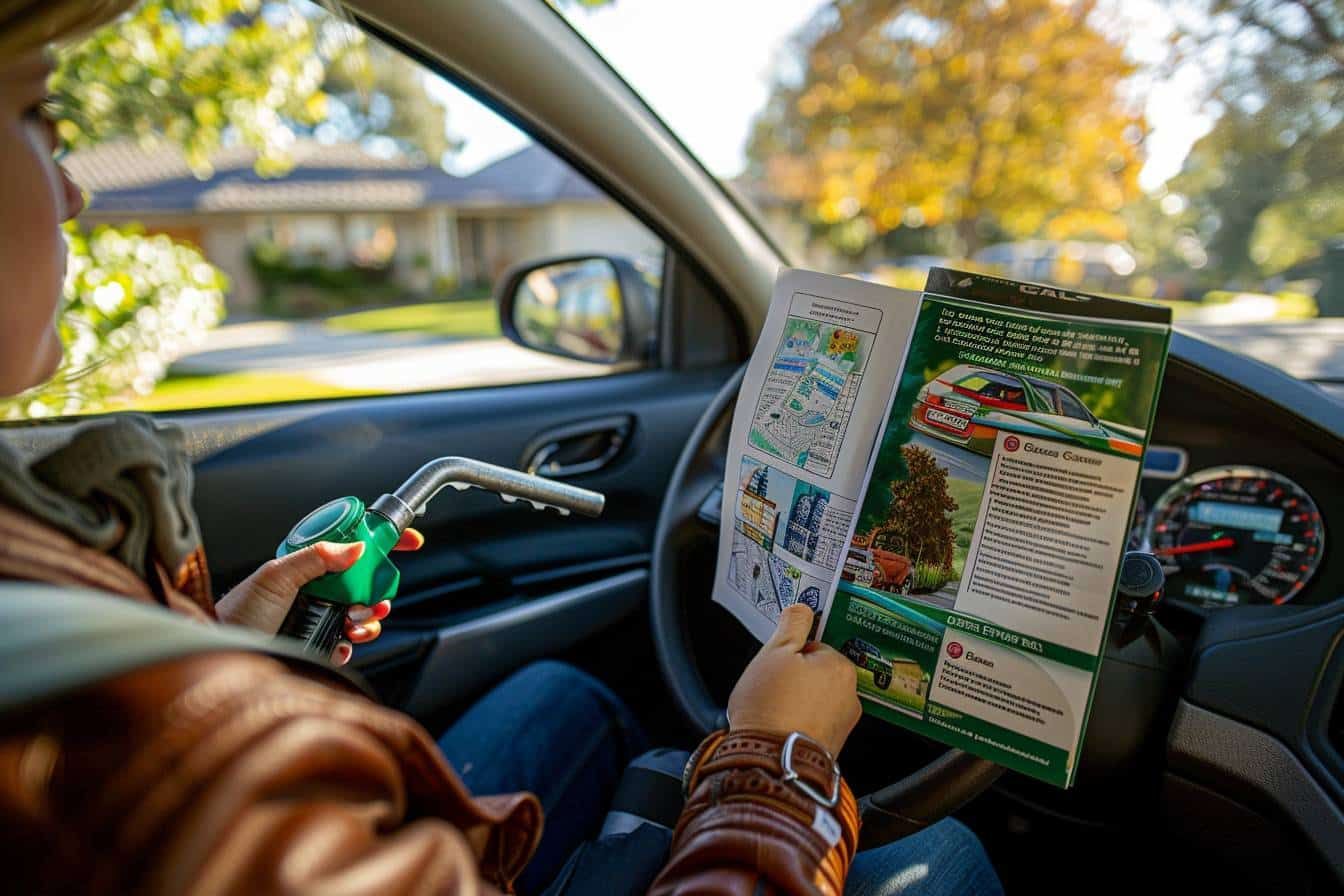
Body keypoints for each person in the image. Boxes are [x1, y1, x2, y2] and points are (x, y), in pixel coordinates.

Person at [0, 2, 1004, 894]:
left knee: (566, 694)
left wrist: (232, 643)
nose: (77, 190)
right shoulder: (125, 763)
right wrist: (773, 762)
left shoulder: (47, 573)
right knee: (946, 854)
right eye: (41, 117)